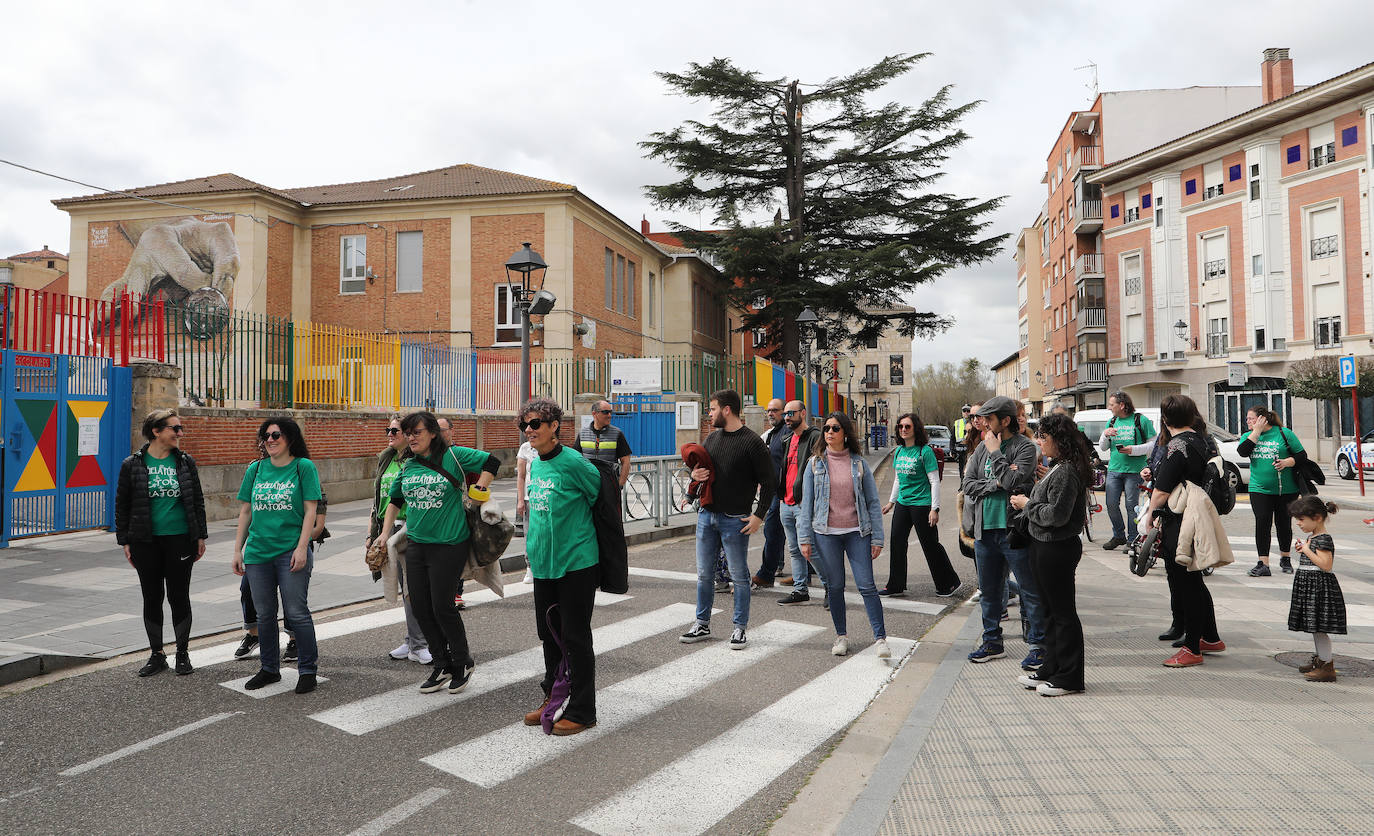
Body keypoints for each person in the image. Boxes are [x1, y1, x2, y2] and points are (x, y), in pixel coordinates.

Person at [378, 411, 500, 694]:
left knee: (442, 606)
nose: (411, 437)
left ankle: (462, 661)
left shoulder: (453, 456)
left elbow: (492, 461)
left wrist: (481, 487)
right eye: (408, 433)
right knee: (420, 606)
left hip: (450, 542)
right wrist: (384, 533)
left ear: (432, 432)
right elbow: (394, 500)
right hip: (418, 543)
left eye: (416, 432)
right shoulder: (408, 464)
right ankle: (441, 663)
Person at [519, 398, 603, 734]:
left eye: (535, 423)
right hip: (543, 564)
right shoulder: (536, 462)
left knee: (575, 637)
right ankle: (553, 697)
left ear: (555, 425)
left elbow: (600, 500)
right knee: (549, 635)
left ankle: (583, 711)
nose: (529, 429)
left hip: (576, 563)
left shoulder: (575, 464)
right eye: (525, 424)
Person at [115, 409, 208, 677]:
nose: (180, 433)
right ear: (156, 431)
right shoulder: (132, 464)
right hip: (145, 541)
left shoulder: (185, 462)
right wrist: (125, 540)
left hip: (180, 539)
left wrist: (199, 535)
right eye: (175, 429)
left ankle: (182, 653)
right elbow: (122, 505)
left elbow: (197, 500)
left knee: (179, 596)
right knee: (152, 597)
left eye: (180, 429)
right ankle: (157, 654)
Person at [232, 418, 321, 694]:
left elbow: (310, 511)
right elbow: (246, 511)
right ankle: (269, 669)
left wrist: (301, 547)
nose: (269, 440)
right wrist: (238, 549)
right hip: (258, 553)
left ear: (290, 438)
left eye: (276, 435)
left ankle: (308, 670)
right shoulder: (256, 469)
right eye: (265, 436)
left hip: (289, 551)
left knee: (296, 612)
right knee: (265, 614)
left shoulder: (302, 467)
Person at [680, 389, 774, 649]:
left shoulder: (753, 442)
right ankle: (702, 624)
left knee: (739, 576)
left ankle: (739, 628)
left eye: (711, 409)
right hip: (707, 515)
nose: (709, 414)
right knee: (704, 574)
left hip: (736, 520)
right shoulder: (711, 439)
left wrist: (759, 516)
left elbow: (769, 483)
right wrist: (694, 479)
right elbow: (702, 473)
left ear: (726, 410)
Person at [961, 396, 1045, 670]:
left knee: (1029, 590)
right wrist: (995, 483)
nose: (982, 423)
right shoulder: (982, 448)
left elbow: (1013, 482)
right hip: (986, 531)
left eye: (989, 418)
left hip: (1015, 529)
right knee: (989, 591)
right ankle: (992, 642)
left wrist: (998, 456)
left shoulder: (1025, 448)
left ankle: (1038, 647)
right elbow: (968, 485)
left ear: (1005, 420)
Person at [797, 412, 890, 658]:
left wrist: (878, 538)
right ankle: (841, 636)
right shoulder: (814, 464)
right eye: (826, 428)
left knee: (866, 586)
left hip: (857, 533)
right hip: (825, 533)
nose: (829, 432)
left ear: (845, 433)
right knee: (835, 586)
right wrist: (804, 538)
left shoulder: (858, 463)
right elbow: (806, 504)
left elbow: (872, 502)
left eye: (835, 428)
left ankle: (880, 639)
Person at [1010, 413, 1090, 697]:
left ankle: (1069, 677)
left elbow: (1057, 515)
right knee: (1048, 611)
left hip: (1057, 546)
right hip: (1044, 545)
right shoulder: (1059, 467)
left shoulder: (1067, 470)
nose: (1039, 441)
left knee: (1062, 613)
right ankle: (1051, 668)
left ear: (1060, 439)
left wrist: (1026, 503)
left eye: (1044, 437)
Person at [1143, 395, 1224, 668]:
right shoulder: (1202, 440)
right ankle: (1210, 637)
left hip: (1180, 521)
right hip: (1197, 516)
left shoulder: (1176, 446)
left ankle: (1192, 647)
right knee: (1195, 581)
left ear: (1165, 419)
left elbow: (1162, 491)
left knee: (1185, 583)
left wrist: (1149, 518)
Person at [367, 417, 431, 665]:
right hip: (387, 528)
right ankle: (412, 640)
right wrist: (372, 533)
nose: (390, 434)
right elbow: (378, 501)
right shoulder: (386, 459)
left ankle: (419, 643)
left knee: (413, 591)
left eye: (395, 430)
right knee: (406, 589)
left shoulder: (414, 460)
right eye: (388, 430)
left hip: (408, 527)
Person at [880, 412, 960, 598]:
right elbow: (898, 480)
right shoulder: (899, 451)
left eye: (907, 426)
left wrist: (935, 508)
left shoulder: (925, 451)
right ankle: (895, 585)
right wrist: (891, 502)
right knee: (897, 542)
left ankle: (948, 583)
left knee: (930, 544)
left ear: (916, 428)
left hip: (922, 504)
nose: (903, 430)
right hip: (903, 503)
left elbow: (934, 481)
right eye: (900, 427)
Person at [1237, 406, 1307, 577]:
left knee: (1283, 523)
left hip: (1287, 489)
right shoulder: (1249, 436)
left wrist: (1287, 462)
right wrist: (1256, 431)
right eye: (1247, 419)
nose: (1247, 422)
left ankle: (1285, 557)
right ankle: (1263, 563)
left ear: (1263, 419)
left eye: (1251, 418)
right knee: (1262, 522)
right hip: (1258, 488)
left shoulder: (1284, 433)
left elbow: (1301, 455)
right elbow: (1242, 452)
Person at [1287, 496, 1346, 682]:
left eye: (1302, 519)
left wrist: (1306, 550)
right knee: (1315, 627)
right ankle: (1321, 660)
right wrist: (1305, 548)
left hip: (1319, 588)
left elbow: (1326, 564)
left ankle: (1327, 665)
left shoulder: (1323, 539)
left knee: (1319, 628)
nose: (1298, 523)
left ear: (1317, 518)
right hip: (1311, 587)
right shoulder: (1313, 537)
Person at [776, 401, 826, 607]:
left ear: (803, 413)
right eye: (785, 414)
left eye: (791, 413)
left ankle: (831, 588)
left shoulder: (815, 437)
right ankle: (800, 590)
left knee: (810, 549)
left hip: (803, 504)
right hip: (786, 503)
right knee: (795, 550)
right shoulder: (788, 438)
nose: (787, 417)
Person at [1096, 391, 1156, 551]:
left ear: (1121, 405)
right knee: (1111, 504)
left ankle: (1132, 539)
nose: (1109, 408)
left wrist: (1133, 450)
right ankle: (1118, 535)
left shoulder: (1140, 420)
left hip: (1135, 470)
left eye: (1111, 404)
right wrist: (1105, 435)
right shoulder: (1112, 421)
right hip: (1114, 469)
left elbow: (1153, 445)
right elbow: (1103, 447)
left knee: (1131, 506)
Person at [751, 399, 788, 589]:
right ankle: (802, 573)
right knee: (778, 530)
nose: (771, 414)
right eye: (769, 410)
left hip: (785, 491)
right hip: (774, 490)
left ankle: (767, 574)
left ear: (784, 412)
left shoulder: (787, 433)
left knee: (773, 529)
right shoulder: (772, 434)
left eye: (775, 410)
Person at [437, 416, 468, 610]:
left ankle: (457, 592)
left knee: (456, 555)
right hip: (438, 513)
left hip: (459, 512)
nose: (439, 434)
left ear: (451, 431)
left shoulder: (460, 453)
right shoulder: (429, 455)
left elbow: (479, 472)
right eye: (436, 430)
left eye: (443, 430)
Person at [578, 400, 632, 488]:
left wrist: (620, 484)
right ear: (594, 414)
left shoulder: (617, 433)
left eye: (610, 412)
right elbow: (576, 460)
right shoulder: (582, 434)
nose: (609, 415)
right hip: (588, 486)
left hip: (610, 486)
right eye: (605, 412)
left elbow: (626, 461)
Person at [516, 438, 537, 583]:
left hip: (547, 496)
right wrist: (520, 500)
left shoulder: (552, 445)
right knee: (529, 533)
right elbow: (521, 476)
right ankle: (529, 567)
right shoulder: (525, 448)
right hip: (529, 498)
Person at [953, 405, 971, 478]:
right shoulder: (957, 422)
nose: (966, 413)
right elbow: (953, 437)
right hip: (960, 449)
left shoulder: (974, 422)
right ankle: (961, 484)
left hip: (970, 449)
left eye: (968, 411)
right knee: (961, 468)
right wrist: (952, 450)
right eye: (964, 411)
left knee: (969, 467)